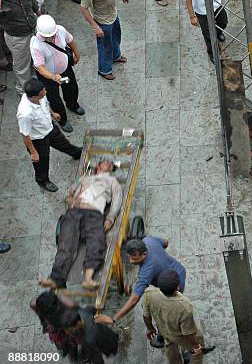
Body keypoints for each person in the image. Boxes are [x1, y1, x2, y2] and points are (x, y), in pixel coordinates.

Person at [38, 160, 122, 290]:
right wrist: (71, 199)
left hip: (94, 214)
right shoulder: (84, 179)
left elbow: (117, 200)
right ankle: (55, 278)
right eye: (105, 162)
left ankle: (88, 279)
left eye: (110, 164)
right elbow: (68, 193)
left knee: (97, 243)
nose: (108, 164)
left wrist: (110, 218)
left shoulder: (112, 181)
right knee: (65, 244)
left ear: (111, 169)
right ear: (98, 166)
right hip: (74, 212)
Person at [93, 236, 187, 348]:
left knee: (166, 312)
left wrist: (114, 318)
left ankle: (167, 334)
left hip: (175, 283)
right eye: (130, 257)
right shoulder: (148, 240)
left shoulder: (147, 271)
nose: (131, 261)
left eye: (135, 259)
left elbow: (134, 299)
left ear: (145, 253)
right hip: (177, 269)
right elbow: (166, 242)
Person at [142, 270, 216, 364]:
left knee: (170, 346)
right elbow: (188, 333)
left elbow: (146, 316)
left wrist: (150, 328)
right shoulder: (184, 306)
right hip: (180, 336)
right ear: (177, 287)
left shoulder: (149, 293)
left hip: (164, 331)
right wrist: (196, 346)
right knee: (197, 352)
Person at [17, 79, 82, 192]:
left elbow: (46, 103)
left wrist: (52, 113)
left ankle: (76, 153)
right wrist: (33, 152)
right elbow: (24, 134)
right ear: (34, 96)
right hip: (37, 139)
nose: (45, 92)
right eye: (43, 92)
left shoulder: (40, 96)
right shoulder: (25, 113)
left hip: (49, 128)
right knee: (42, 161)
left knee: (63, 143)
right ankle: (42, 180)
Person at [31, 291, 118, 364]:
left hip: (106, 345)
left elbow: (97, 360)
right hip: (95, 335)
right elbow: (90, 310)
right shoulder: (80, 313)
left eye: (67, 330)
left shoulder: (88, 339)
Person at [30, 15, 83, 134]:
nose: (52, 37)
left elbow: (70, 41)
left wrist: (77, 53)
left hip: (65, 69)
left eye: (53, 34)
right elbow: (40, 67)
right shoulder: (36, 45)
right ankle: (62, 120)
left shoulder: (60, 30)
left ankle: (73, 105)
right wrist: (53, 77)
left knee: (72, 88)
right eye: (48, 36)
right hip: (48, 77)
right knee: (54, 99)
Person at [80, 0, 129, 81]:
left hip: (113, 15)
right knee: (105, 46)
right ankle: (105, 70)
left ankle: (116, 56)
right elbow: (83, 9)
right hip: (102, 22)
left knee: (116, 38)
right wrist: (95, 27)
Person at [185, 0, 232, 64]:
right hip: (202, 10)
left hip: (216, 4)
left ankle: (218, 33)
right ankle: (212, 53)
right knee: (208, 35)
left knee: (223, 22)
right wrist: (192, 16)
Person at [0, 0, 37, 95]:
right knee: (22, 66)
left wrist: (38, 13)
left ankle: (33, 81)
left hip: (32, 30)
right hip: (17, 38)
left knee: (34, 58)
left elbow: (31, 3)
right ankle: (24, 90)